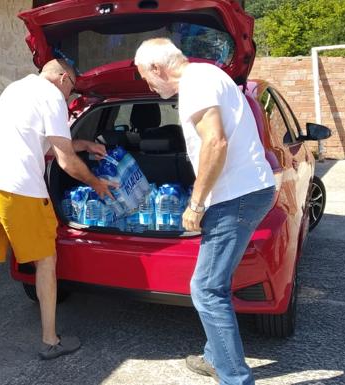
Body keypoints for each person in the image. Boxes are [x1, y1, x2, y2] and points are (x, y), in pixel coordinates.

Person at [0, 58, 116, 376]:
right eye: (72, 91)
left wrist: (84, 142)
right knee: (45, 262)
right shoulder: (51, 96)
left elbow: (39, 141)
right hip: (20, 191)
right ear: (63, 78)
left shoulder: (15, 90)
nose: (71, 99)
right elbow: (63, 159)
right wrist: (97, 183)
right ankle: (50, 341)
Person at [134, 38, 275, 385]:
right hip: (244, 192)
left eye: (145, 77)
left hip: (235, 196)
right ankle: (215, 356)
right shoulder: (208, 76)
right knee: (214, 282)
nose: (147, 85)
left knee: (207, 289)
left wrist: (196, 204)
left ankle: (235, 378)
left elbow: (215, 142)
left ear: (157, 67)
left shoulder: (196, 83)